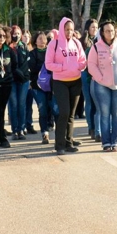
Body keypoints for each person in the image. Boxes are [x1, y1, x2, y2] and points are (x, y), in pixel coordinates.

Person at [87, 20, 117, 152]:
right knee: (105, 113)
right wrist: (100, 78)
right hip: (101, 85)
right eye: (107, 31)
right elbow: (91, 65)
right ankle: (106, 142)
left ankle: (116, 141)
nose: (110, 33)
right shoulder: (96, 47)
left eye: (112, 30)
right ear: (102, 32)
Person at [46, 17, 87, 155]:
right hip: (60, 82)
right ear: (62, 29)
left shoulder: (76, 42)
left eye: (71, 29)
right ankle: (59, 145)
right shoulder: (54, 44)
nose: (69, 32)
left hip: (75, 81)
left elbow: (83, 60)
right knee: (63, 112)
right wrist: (63, 66)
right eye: (67, 29)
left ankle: (69, 143)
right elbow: (48, 64)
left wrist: (78, 66)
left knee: (71, 114)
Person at [28, 30, 56, 144]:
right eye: (39, 38)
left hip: (52, 85)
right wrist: (46, 65)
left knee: (54, 109)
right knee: (42, 110)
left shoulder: (51, 52)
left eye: (44, 38)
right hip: (38, 86)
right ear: (35, 40)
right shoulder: (32, 54)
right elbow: (32, 68)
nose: (42, 40)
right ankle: (44, 133)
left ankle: (57, 131)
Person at [8, 25, 30, 141]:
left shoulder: (24, 46)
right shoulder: (7, 47)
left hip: (23, 80)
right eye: (14, 33)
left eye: (18, 33)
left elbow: (26, 63)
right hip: (11, 80)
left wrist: (23, 74)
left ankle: (21, 129)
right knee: (13, 105)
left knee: (22, 105)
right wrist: (14, 72)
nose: (16, 36)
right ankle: (14, 130)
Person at [80, 19, 99, 139]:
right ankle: (91, 126)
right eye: (93, 27)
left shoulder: (100, 40)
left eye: (96, 27)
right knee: (89, 101)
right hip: (85, 74)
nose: (95, 30)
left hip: (97, 74)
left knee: (97, 102)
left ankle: (97, 127)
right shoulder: (82, 41)